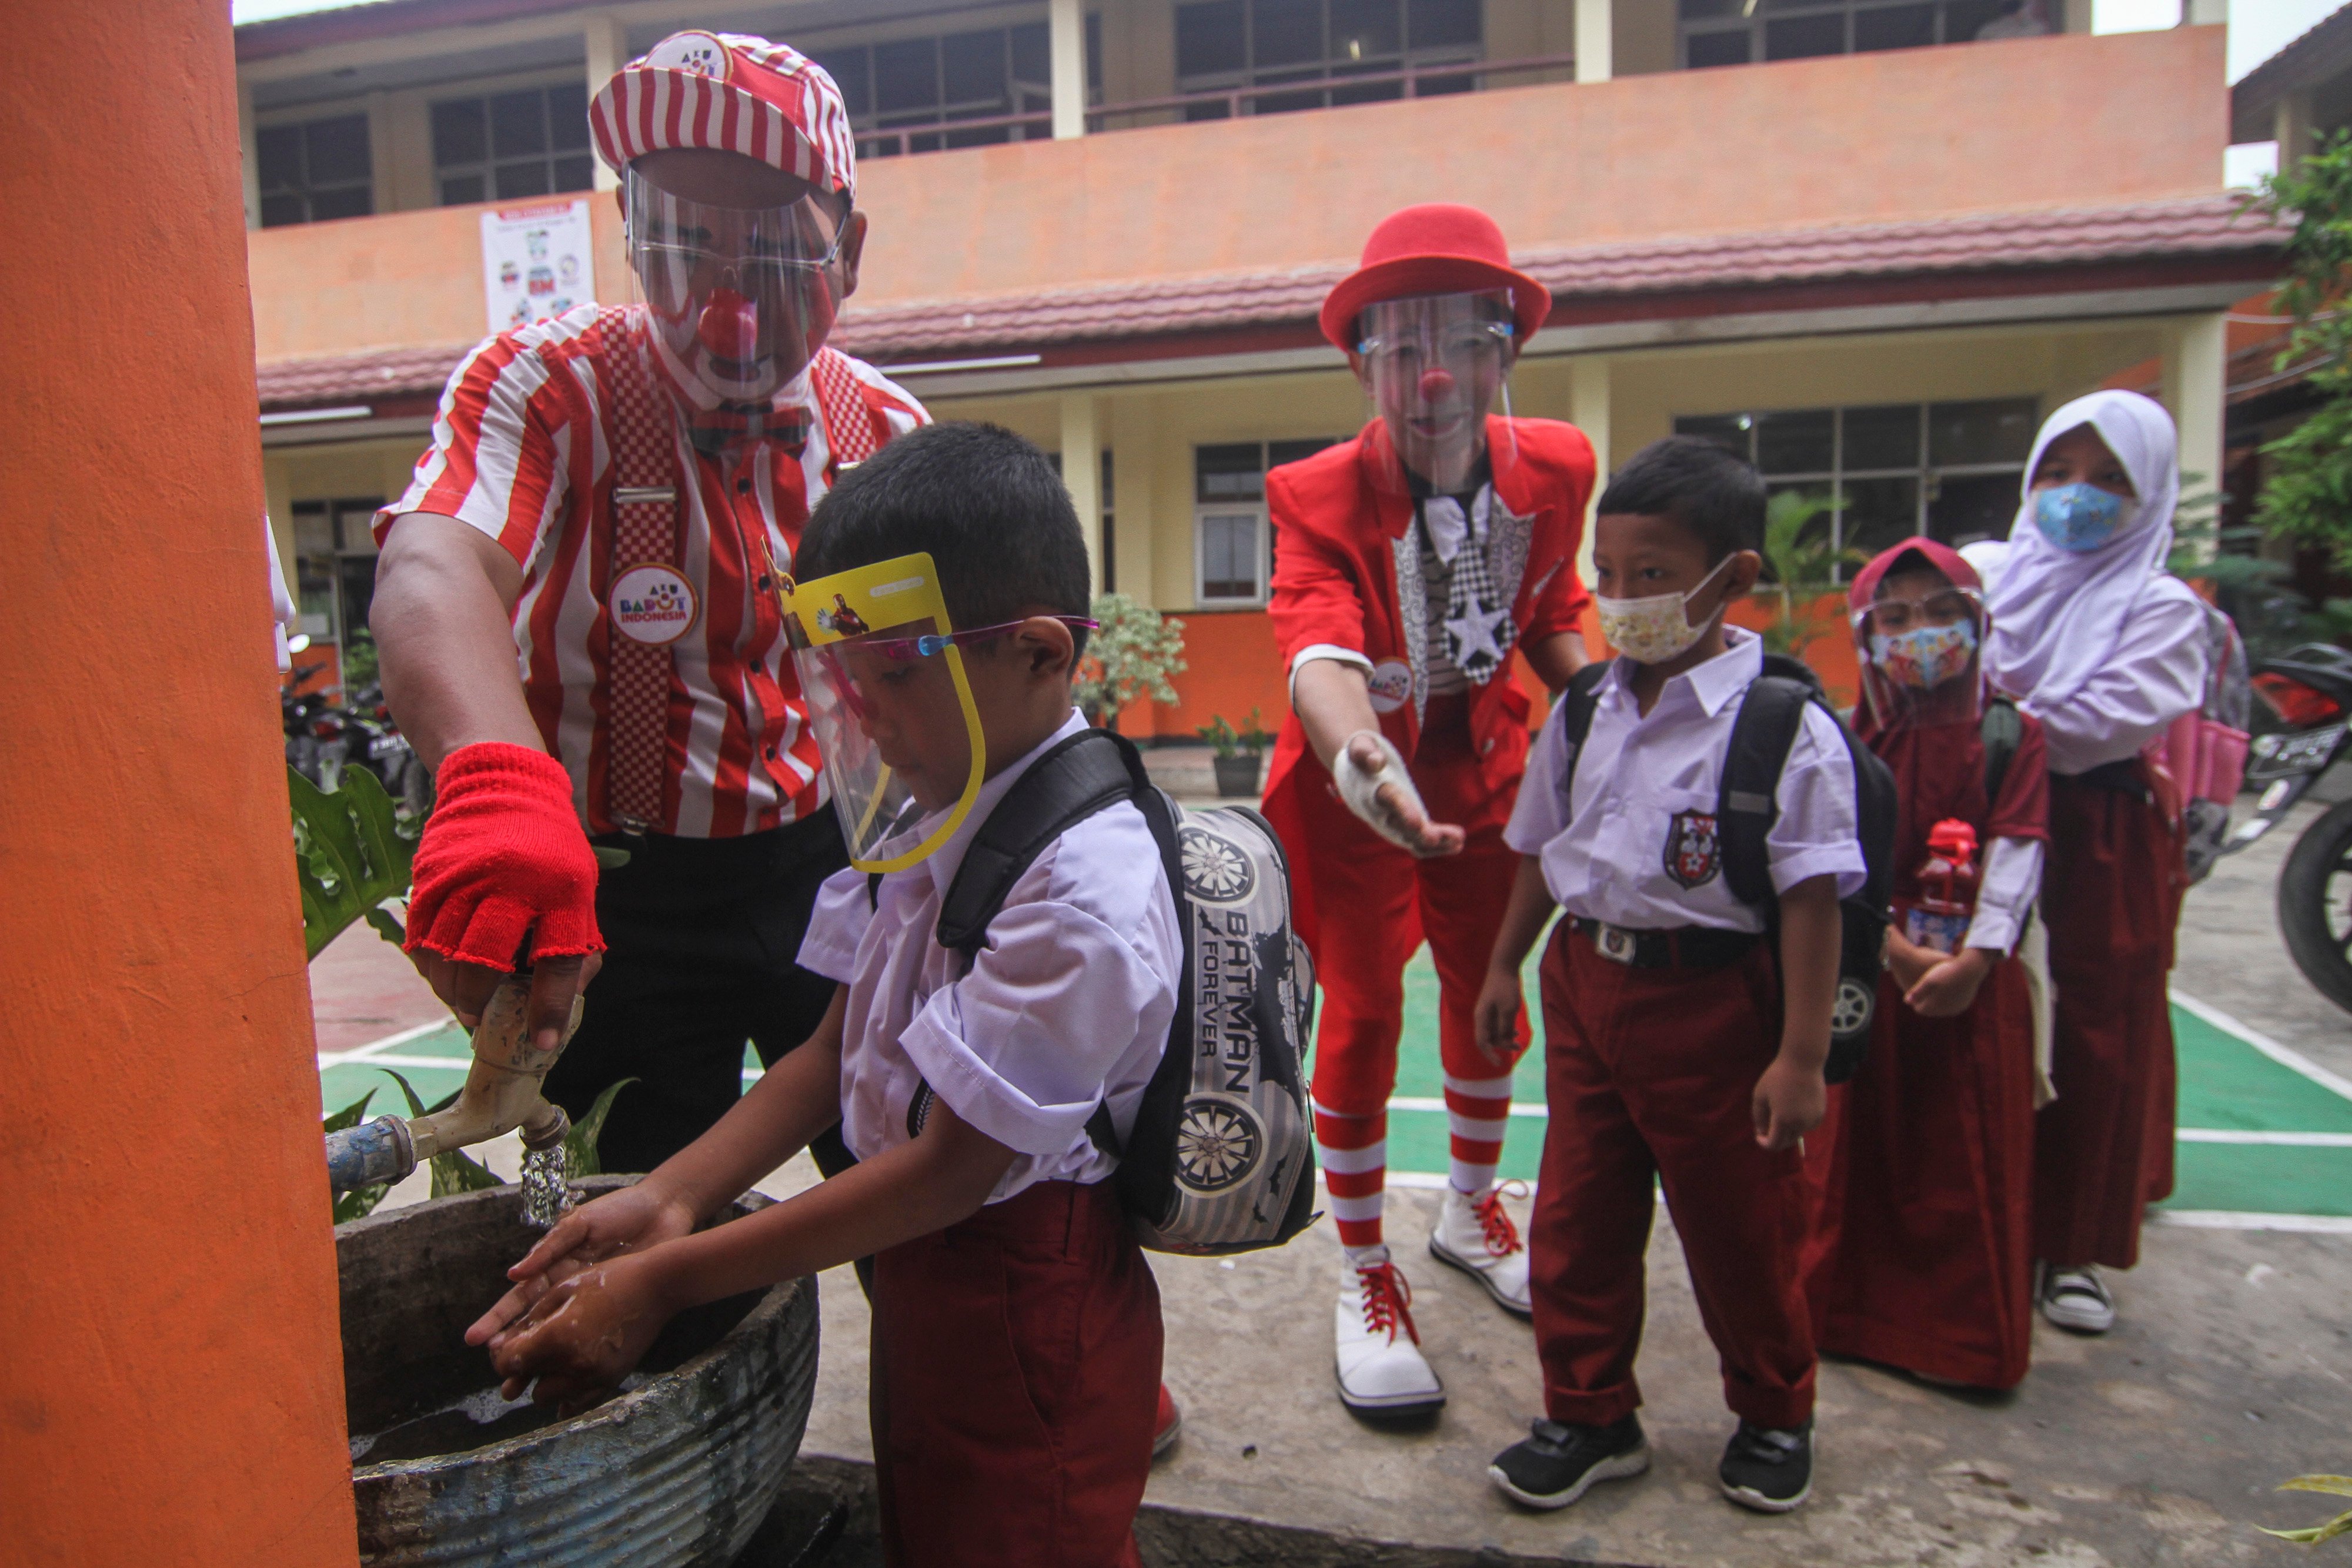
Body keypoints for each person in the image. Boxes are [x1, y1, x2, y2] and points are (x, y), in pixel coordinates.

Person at [466, 423, 1174, 1567]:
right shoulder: (934, 801)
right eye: (842, 676)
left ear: (1041, 653)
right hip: (926, 1258)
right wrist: (671, 1196)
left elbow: (953, 1167)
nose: (860, 711)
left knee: (1027, 1528)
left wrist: (664, 1280)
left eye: (893, 671)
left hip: (1020, 1280)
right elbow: (826, 1052)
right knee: (939, 1516)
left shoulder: (1081, 887)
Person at [370, 32, 925, 1178]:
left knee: (908, 1188)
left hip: (831, 862)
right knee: (620, 1212)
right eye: (680, 243)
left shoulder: (886, 433)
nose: (725, 304)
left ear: (850, 250)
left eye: (773, 248)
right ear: (625, 231)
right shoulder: (546, 386)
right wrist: (495, 784)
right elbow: (436, 564)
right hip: (613, 892)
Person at [1474, 436, 1862, 1515]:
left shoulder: (1787, 729)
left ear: (1732, 578)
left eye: (1653, 576)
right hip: (1589, 986)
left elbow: (1811, 899)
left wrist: (1799, 1055)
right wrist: (1506, 963)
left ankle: (1776, 1412)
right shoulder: (1589, 708)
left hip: (1718, 1002)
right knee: (1577, 1215)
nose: (1624, 600)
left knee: (1740, 1223)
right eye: (1609, 576)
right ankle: (1589, 1411)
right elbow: (1543, 851)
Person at [1260, 203, 1595, 1419]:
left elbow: (1553, 608)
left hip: (1494, 774)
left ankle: (1464, 1204)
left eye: (1462, 339)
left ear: (1506, 354)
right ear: (1362, 367)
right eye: (1401, 346)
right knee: (1359, 1010)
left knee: (1487, 992)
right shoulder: (1313, 492)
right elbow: (1317, 644)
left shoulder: (1557, 465)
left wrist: (1611, 702)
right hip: (1361, 793)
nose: (1433, 373)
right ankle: (1361, 1264)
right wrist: (1359, 756)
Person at [1976, 390, 2207, 1336]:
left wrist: (1990, 713)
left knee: (2096, 1029)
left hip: (2096, 830)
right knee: (1974, 1009)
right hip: (1976, 817)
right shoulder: (1985, 573)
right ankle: (1981, 1215)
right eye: (2060, 474)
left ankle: (2074, 1247)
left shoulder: (2163, 607)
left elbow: (2093, 729)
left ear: (2149, 494)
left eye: (2111, 479)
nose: (2080, 497)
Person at [1803, 540, 2048, 1391]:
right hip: (1871, 976)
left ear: (1978, 623)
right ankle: (1842, 1316)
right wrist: (1897, 955)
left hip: (1971, 986)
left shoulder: (2009, 732)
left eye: (1943, 614)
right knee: (1854, 1155)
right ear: (1868, 637)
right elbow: (1834, 861)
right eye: (1897, 618)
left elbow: (2018, 849)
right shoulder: (1847, 736)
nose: (1921, 634)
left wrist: (1979, 958)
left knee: (1962, 1160)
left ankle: (1963, 1345)